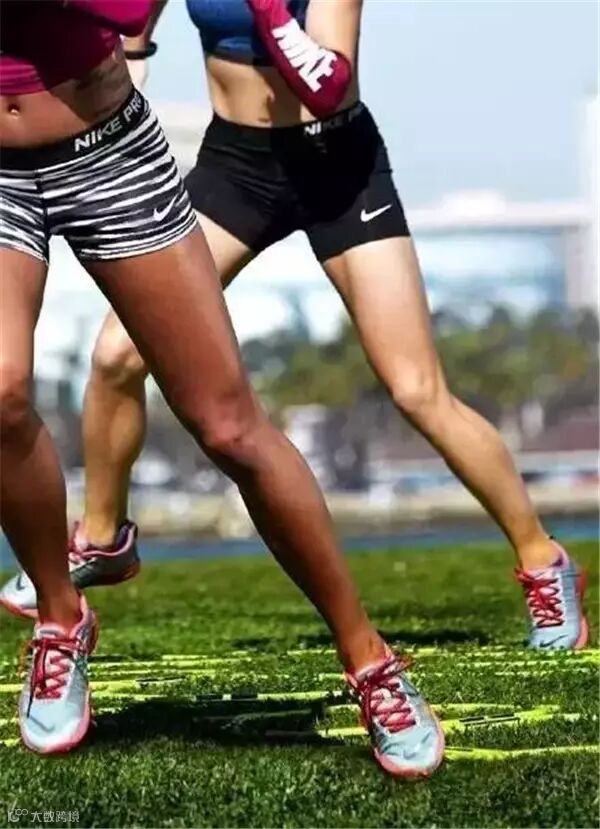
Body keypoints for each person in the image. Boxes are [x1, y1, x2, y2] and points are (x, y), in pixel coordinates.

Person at [0, 0, 445, 775]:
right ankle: (60, 620)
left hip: (104, 150)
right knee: (1, 393)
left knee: (228, 426)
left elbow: (128, 9)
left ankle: (368, 657)